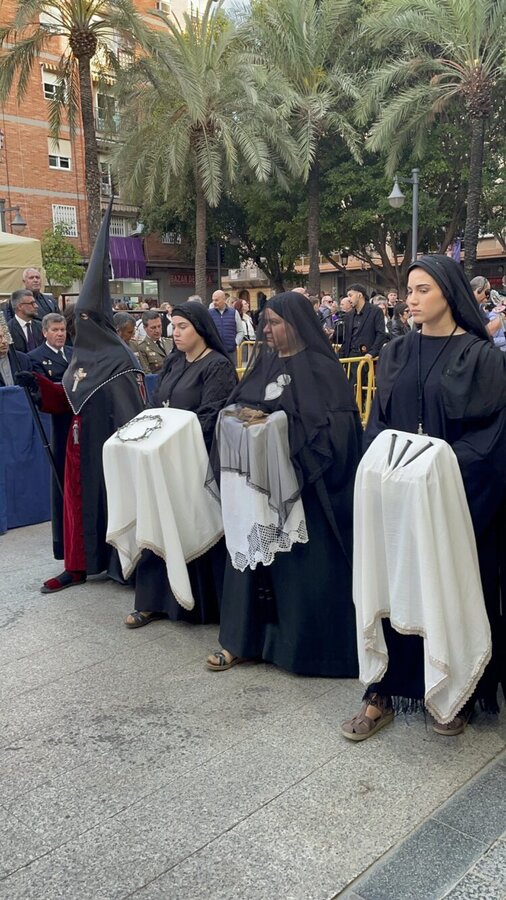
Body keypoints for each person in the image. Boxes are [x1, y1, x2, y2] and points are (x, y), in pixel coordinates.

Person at [342, 254, 506, 741]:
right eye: (408, 291)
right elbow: (379, 427)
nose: (410, 300)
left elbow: (491, 438)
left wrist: (434, 476)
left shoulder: (483, 358)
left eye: (422, 290)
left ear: (449, 294)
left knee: (446, 588)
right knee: (395, 590)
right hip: (399, 504)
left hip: (456, 504)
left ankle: (453, 691)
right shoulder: (394, 352)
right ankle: (384, 692)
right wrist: (384, 473)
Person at [206, 291, 363, 676]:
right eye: (265, 322)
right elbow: (240, 404)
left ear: (297, 324)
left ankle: (303, 650)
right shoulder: (265, 364)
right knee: (252, 562)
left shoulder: (324, 370)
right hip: (260, 493)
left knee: (303, 572)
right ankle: (244, 642)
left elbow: (340, 432)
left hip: (307, 491)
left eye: (275, 322)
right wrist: (236, 418)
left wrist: (280, 428)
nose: (268, 330)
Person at [16, 201, 146, 593]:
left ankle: (122, 563)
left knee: (113, 502)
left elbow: (130, 408)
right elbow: (71, 397)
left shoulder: (121, 357)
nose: (79, 327)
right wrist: (39, 386)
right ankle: (77, 565)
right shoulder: (79, 356)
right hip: (78, 448)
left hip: (110, 449)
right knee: (75, 505)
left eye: (87, 319)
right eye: (78, 320)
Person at [124, 302, 238, 628]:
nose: (175, 332)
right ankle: (153, 601)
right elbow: (156, 403)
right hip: (163, 459)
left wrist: (170, 439)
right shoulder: (174, 360)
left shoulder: (217, 366)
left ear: (200, 329)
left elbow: (211, 415)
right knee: (159, 525)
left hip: (193, 461)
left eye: (182, 326)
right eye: (173, 325)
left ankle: (199, 606)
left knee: (191, 528)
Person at [339, 283, 388, 359]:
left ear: (360, 295)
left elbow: (380, 334)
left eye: (350, 295)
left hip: (366, 358)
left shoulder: (375, 311)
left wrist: (372, 353)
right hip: (350, 358)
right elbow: (346, 339)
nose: (348, 299)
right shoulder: (349, 315)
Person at [28, 313, 73, 382]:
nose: (60, 334)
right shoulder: (35, 357)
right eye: (55, 330)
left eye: (62, 329)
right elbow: (45, 385)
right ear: (45, 332)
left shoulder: (74, 352)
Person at [209, 290, 245, 360]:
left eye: (216, 300)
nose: (214, 303)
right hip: (214, 352)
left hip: (231, 352)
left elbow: (240, 331)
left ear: (224, 300)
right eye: (213, 300)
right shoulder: (209, 313)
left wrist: (235, 342)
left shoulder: (234, 313)